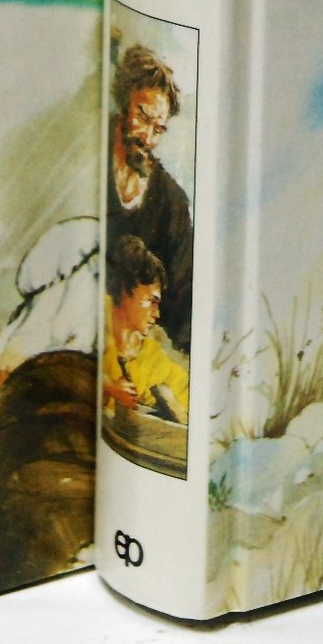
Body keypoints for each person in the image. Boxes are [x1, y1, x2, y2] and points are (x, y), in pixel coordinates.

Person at [105, 44, 194, 353]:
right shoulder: (88, 158)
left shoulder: (172, 203)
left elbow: (182, 302)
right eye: (143, 117)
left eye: (159, 129)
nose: (148, 138)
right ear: (123, 101)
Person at [101, 234, 188, 421]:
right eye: (151, 301)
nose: (157, 314)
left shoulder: (151, 357)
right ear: (126, 289)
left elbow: (186, 390)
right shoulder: (92, 315)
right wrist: (107, 386)